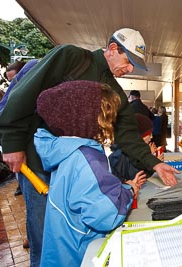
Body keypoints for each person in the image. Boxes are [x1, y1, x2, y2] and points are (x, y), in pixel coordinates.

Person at [0, 27, 179, 266]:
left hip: (71, 165)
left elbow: (128, 134)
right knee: (43, 234)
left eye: (135, 65)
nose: (130, 69)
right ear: (112, 49)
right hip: (39, 161)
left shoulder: (115, 91)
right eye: (128, 61)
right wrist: (12, 141)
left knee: (71, 232)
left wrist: (155, 164)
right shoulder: (71, 57)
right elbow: (25, 93)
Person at [34, 80, 146, 266]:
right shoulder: (88, 158)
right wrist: (129, 190)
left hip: (62, 249)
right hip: (79, 253)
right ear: (88, 119)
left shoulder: (65, 149)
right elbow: (106, 215)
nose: (112, 123)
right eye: (108, 117)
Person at [0, 59, 39, 198]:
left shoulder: (35, 68)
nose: (12, 85)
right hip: (31, 157)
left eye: (14, 79)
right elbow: (2, 110)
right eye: (10, 81)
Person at [109, 113, 164, 181]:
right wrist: (153, 164)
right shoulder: (122, 155)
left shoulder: (128, 151)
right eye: (149, 134)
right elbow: (137, 177)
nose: (152, 137)